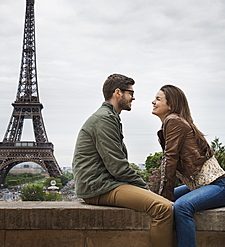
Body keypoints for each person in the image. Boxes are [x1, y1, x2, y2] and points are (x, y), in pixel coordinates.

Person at [72, 74, 174, 247]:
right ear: (118, 92)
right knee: (163, 209)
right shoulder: (104, 119)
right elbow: (118, 167)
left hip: (101, 184)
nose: (133, 97)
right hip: (99, 187)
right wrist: (146, 190)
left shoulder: (108, 117)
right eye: (130, 92)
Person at [151, 84, 225, 247]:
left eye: (158, 99)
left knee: (181, 207)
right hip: (201, 186)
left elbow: (170, 159)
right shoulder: (172, 122)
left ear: (171, 104)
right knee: (154, 199)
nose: (153, 102)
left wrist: (166, 196)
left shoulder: (173, 120)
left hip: (220, 187)